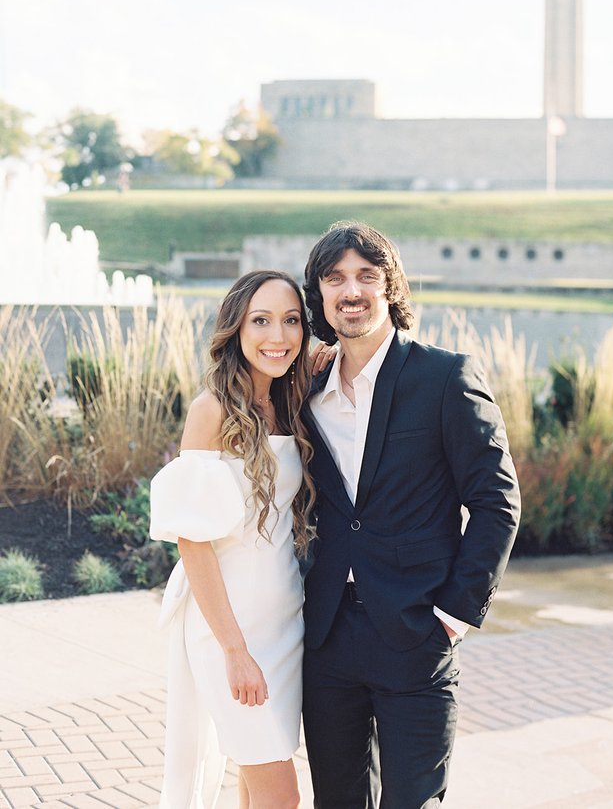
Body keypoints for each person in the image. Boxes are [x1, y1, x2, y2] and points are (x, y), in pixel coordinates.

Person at [301, 222, 521, 809]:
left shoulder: (446, 377)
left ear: (390, 288)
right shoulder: (304, 388)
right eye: (335, 278)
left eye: (366, 277)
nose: (351, 291)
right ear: (319, 294)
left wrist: (454, 614)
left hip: (417, 632)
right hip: (326, 639)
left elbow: (498, 501)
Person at [149, 270, 318, 809]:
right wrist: (234, 651)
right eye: (261, 320)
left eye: (291, 321)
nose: (279, 335)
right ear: (236, 328)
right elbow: (192, 542)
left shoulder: (289, 402)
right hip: (230, 628)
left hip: (284, 623)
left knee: (255, 784)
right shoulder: (212, 410)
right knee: (281, 797)